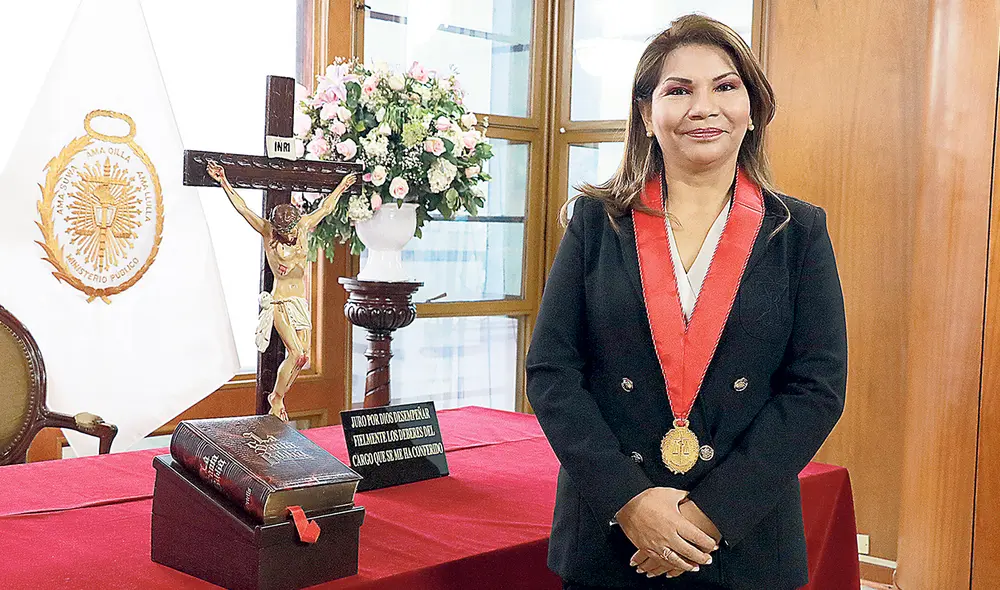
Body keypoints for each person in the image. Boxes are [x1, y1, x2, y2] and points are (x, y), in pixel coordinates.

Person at [526, 14, 847, 590]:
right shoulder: (596, 224)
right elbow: (553, 373)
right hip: (612, 538)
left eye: (725, 87)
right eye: (679, 90)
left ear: (752, 110)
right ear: (648, 115)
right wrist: (628, 501)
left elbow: (816, 388)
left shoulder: (800, 231)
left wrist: (707, 516)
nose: (704, 107)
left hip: (745, 542)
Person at [206, 160, 356, 421]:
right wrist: (224, 181)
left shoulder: (304, 227)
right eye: (282, 231)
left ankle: (280, 396)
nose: (287, 235)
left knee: (303, 357)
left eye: (290, 230)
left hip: (300, 301)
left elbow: (327, 208)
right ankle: (276, 398)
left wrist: (342, 186)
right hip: (281, 301)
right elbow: (243, 209)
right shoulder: (268, 232)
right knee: (297, 352)